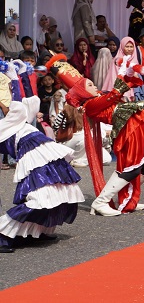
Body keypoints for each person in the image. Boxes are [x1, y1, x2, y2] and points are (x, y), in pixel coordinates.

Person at [46, 53, 144, 215]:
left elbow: (122, 89)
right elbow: (116, 93)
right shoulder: (91, 105)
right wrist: (122, 72)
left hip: (140, 126)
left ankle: (129, 198)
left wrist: (129, 74)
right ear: (81, 92)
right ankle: (101, 202)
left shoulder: (101, 97)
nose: (94, 87)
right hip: (129, 131)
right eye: (90, 85)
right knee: (132, 168)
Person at [0, 93, 85, 253]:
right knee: (40, 199)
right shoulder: (6, 126)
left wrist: (12, 84)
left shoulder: (20, 120)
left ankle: (38, 231)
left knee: (61, 195)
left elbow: (30, 102)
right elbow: (20, 106)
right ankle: (2, 233)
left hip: (49, 156)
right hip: (35, 160)